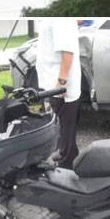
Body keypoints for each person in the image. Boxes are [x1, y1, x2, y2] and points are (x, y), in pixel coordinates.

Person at [35, 19, 81, 169]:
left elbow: (67, 51)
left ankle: (67, 163)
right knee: (62, 126)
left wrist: (61, 83)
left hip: (60, 86)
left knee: (65, 126)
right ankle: (66, 153)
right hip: (54, 83)